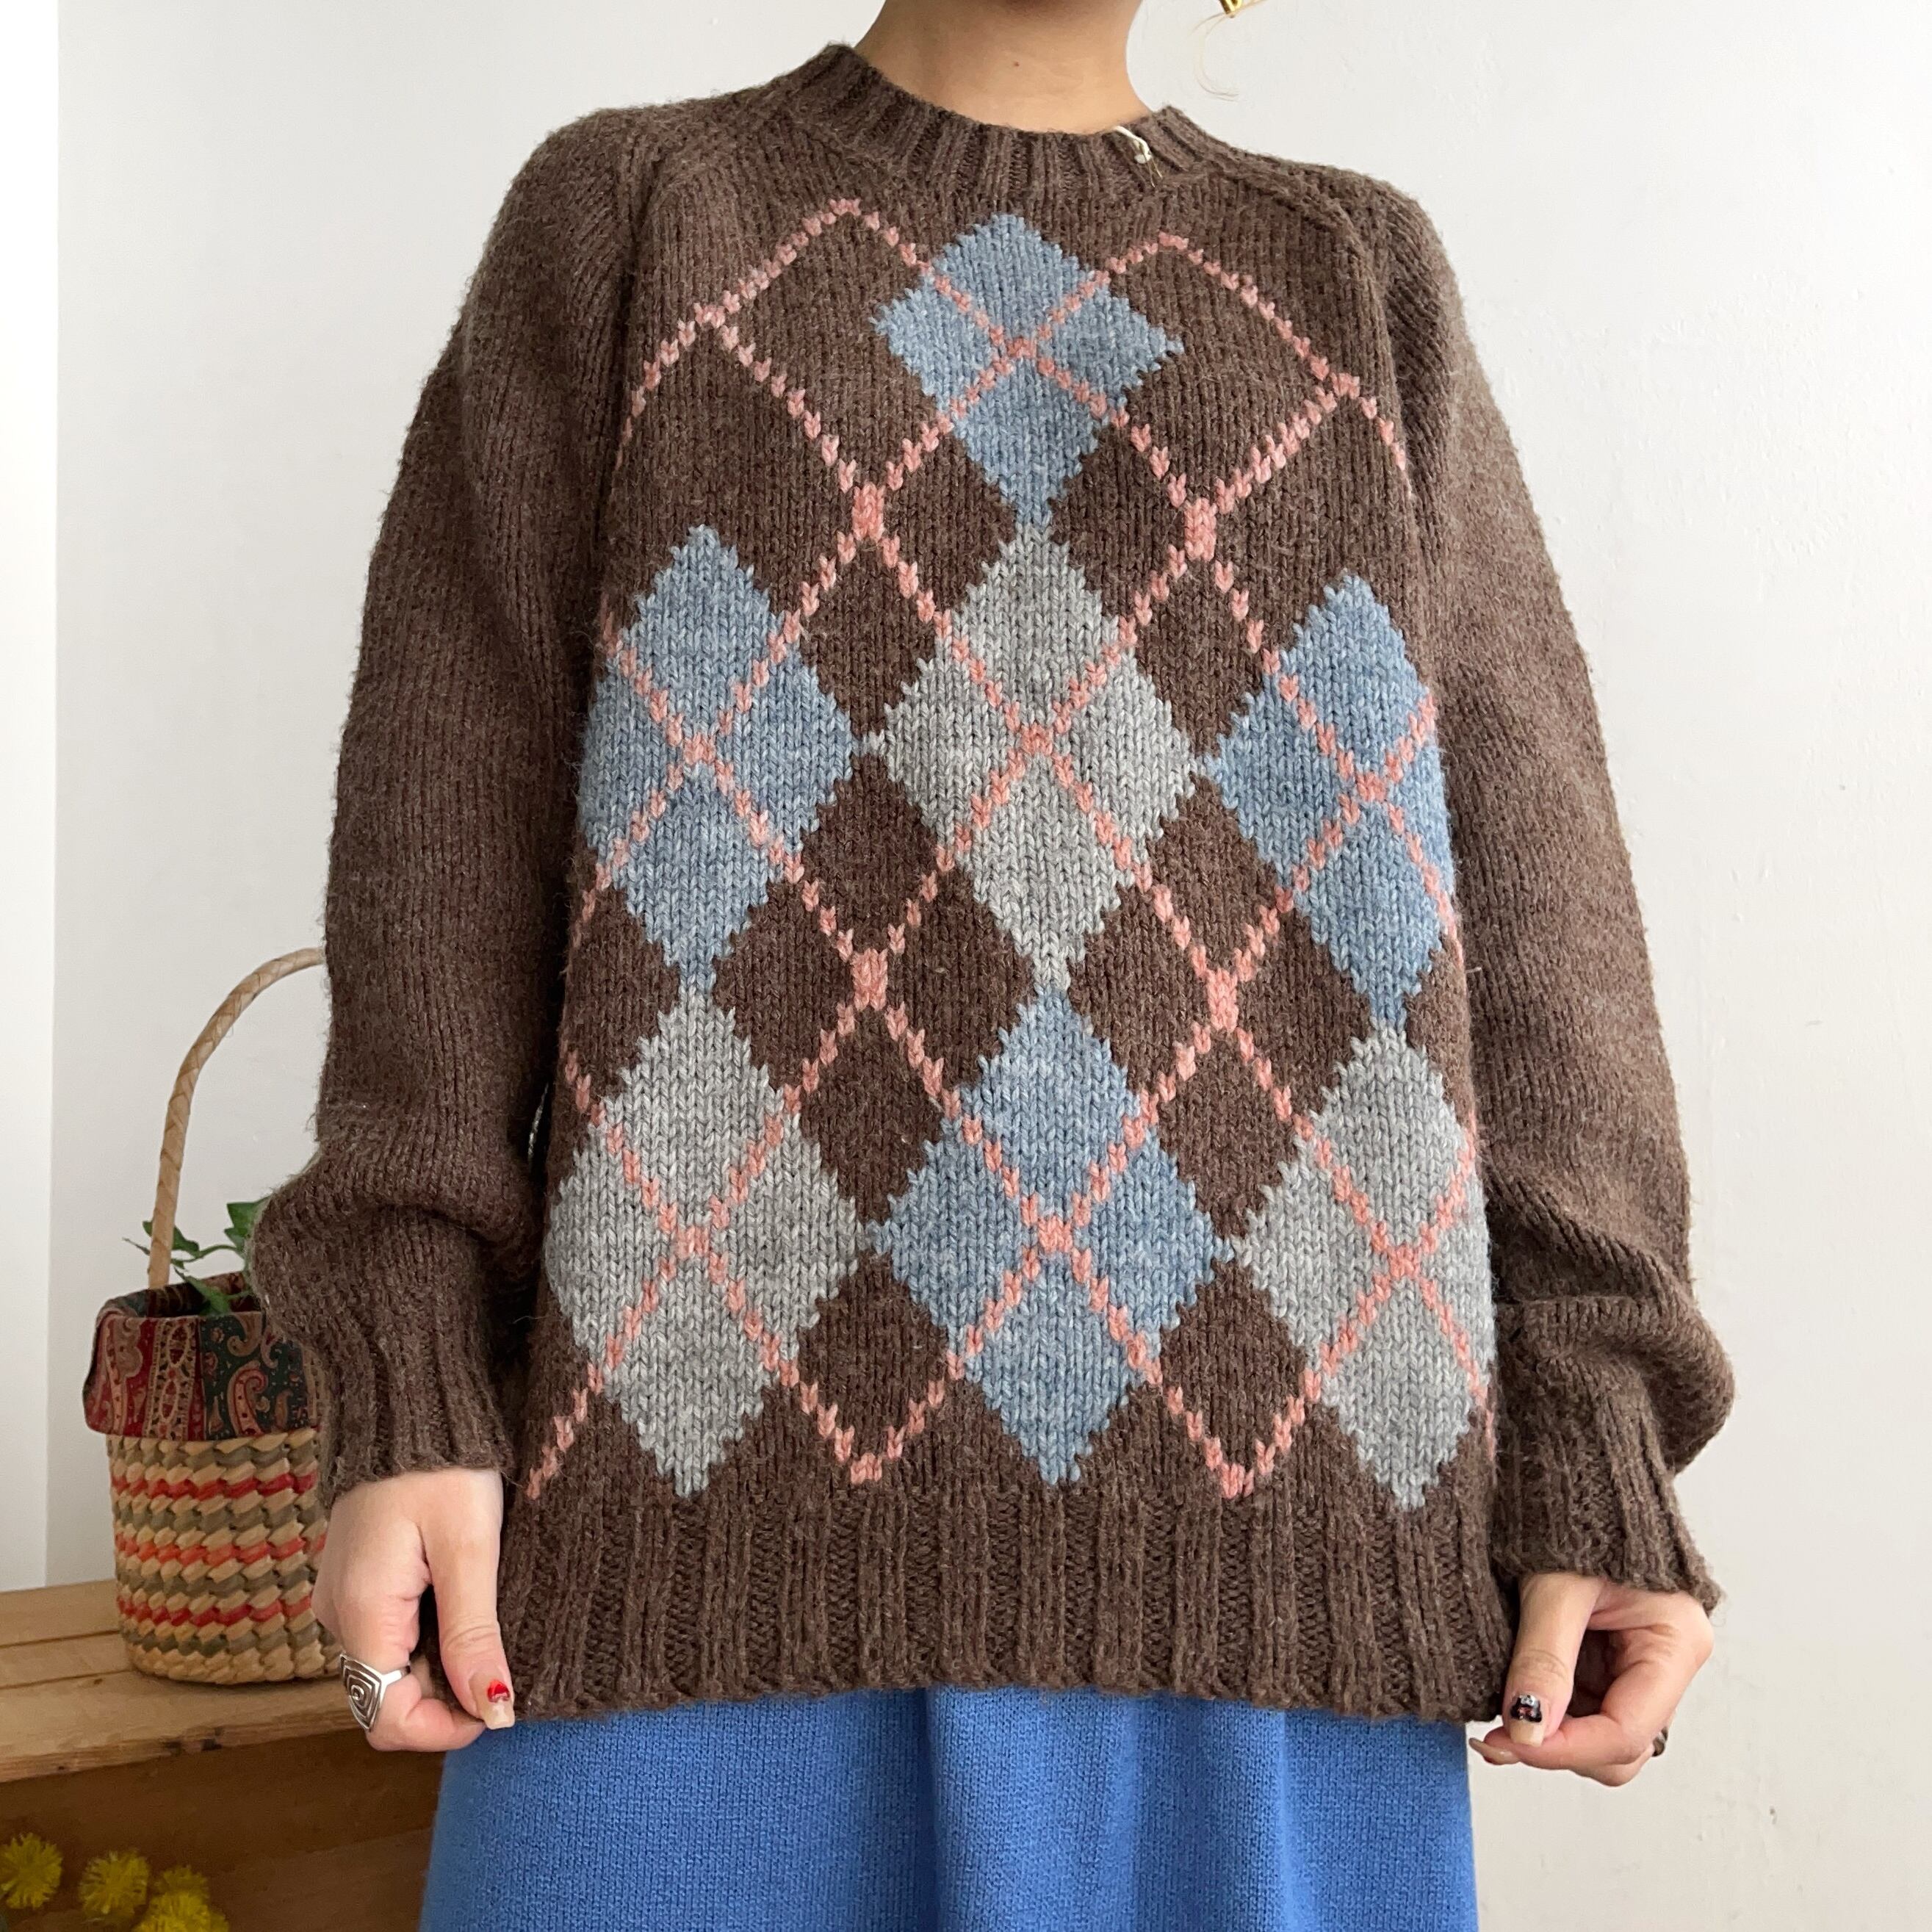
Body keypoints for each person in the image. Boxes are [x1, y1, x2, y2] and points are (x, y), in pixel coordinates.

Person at [248, 4, 1736, 1927]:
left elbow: (1534, 895)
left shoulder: (1352, 269)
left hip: (1277, 1547)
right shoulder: (637, 211)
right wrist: (408, 1370)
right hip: (676, 1532)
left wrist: (1595, 1424)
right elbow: (446, 816)